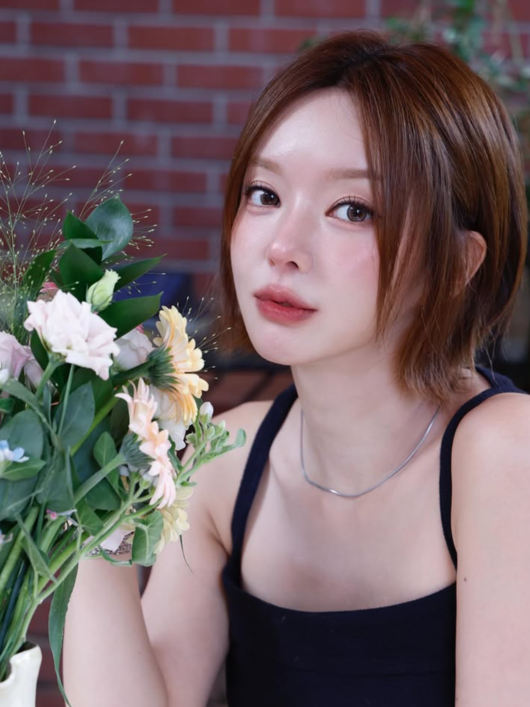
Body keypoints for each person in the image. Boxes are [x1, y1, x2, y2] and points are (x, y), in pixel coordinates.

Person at [63, 31, 530, 707]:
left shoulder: (504, 453)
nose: (283, 246)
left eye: (353, 210)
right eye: (264, 194)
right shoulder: (227, 462)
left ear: (457, 264)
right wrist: (86, 485)